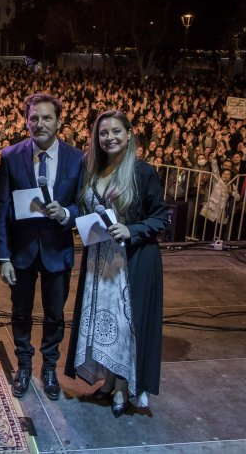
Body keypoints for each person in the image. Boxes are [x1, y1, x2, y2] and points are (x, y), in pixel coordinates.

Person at [65, 110, 168, 417]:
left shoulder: (142, 172)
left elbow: (161, 216)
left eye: (116, 132)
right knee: (103, 324)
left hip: (134, 261)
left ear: (129, 134)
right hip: (100, 260)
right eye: (103, 132)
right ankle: (109, 380)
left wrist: (131, 230)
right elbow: (84, 210)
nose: (109, 137)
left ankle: (124, 387)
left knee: (127, 327)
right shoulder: (92, 170)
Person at [0, 93, 83, 400]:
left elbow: (84, 205)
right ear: (26, 121)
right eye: (34, 118)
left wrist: (69, 214)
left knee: (55, 314)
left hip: (58, 251)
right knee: (20, 312)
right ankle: (23, 365)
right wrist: (2, 255)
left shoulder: (77, 158)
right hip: (20, 252)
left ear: (59, 122)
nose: (40, 123)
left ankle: (49, 368)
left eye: (47, 118)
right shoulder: (9, 155)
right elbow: (2, 207)